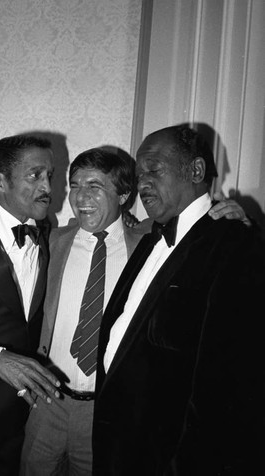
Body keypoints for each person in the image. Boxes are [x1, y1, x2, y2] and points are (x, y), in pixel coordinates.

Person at [20, 147, 248, 476]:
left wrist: (236, 219)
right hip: (48, 404)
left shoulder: (149, 244)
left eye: (95, 186)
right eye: (75, 185)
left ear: (125, 194)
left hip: (108, 409)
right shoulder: (51, 241)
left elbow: (198, 241)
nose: (80, 197)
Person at [92, 125, 264, 476]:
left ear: (196, 171)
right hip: (118, 448)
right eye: (139, 174)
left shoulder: (235, 244)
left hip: (167, 459)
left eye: (154, 169)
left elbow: (227, 387)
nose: (141, 184)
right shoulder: (148, 240)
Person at [0, 135, 61, 476]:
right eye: (35, 175)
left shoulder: (54, 237)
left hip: (22, 422)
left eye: (50, 175)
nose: (48, 186)